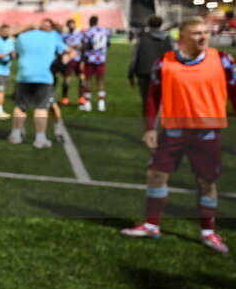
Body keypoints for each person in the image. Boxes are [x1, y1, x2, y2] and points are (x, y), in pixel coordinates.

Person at [120, 17, 236, 254]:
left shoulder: (223, 60)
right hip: (173, 132)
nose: (203, 37)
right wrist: (150, 128)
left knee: (206, 183)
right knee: (156, 176)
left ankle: (207, 231)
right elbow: (153, 98)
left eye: (206, 32)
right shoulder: (164, 63)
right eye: (196, 33)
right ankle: (152, 225)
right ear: (181, 37)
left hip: (207, 134)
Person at [8, 19, 71, 149]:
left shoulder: (23, 36)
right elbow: (67, 51)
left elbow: (16, 50)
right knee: (41, 108)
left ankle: (15, 135)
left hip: (24, 75)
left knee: (20, 107)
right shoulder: (53, 36)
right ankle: (40, 139)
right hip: (44, 76)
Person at [128, 15, 173, 108]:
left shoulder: (142, 38)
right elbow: (173, 57)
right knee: (163, 100)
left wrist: (130, 74)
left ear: (149, 24)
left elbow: (135, 57)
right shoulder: (168, 39)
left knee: (147, 101)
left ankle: (149, 121)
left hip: (145, 73)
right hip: (163, 73)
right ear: (161, 24)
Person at [79, 15, 111, 111]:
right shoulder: (105, 31)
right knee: (100, 81)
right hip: (101, 59)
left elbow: (85, 46)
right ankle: (101, 104)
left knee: (88, 80)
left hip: (90, 59)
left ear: (90, 22)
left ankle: (88, 104)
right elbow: (108, 44)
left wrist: (83, 59)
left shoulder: (89, 32)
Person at [60, 18, 84, 105]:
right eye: (70, 24)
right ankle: (65, 97)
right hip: (69, 59)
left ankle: (81, 97)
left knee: (82, 78)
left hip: (78, 59)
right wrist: (71, 47)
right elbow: (62, 46)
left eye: (73, 24)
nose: (72, 26)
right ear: (68, 26)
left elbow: (83, 45)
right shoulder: (64, 35)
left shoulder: (79, 33)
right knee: (67, 79)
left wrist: (82, 58)